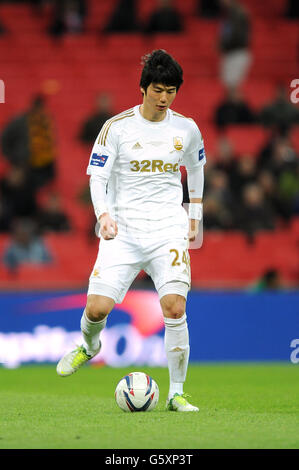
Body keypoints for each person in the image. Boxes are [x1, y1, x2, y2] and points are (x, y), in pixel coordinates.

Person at [56, 49, 206, 412]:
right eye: (157, 89)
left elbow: (197, 170)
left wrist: (195, 213)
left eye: (171, 91)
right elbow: (97, 178)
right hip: (122, 230)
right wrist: (103, 214)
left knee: (173, 306)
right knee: (96, 309)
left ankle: (177, 392)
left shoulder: (185, 128)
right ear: (143, 88)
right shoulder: (117, 128)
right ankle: (90, 346)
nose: (164, 98)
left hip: (167, 228)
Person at [0, 95, 56, 189]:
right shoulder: (21, 121)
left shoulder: (46, 123)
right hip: (22, 164)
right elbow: (5, 137)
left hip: (40, 167)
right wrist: (11, 156)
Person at [218, 0, 251, 88]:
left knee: (233, 85)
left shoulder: (238, 13)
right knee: (227, 84)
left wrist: (224, 45)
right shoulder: (228, 13)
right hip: (230, 53)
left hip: (236, 52)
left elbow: (237, 35)